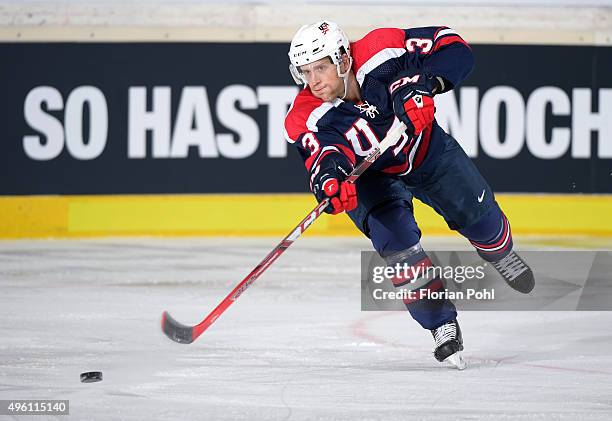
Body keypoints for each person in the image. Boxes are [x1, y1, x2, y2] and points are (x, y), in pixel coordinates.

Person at [283, 20, 534, 369]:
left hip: (428, 152)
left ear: (342, 58)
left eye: (321, 67)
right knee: (396, 243)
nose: (314, 81)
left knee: (483, 223)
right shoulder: (306, 114)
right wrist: (329, 181)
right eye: (305, 71)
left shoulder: (382, 49)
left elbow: (454, 46)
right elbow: (320, 156)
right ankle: (442, 325)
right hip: (372, 179)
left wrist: (427, 82)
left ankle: (500, 253)